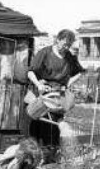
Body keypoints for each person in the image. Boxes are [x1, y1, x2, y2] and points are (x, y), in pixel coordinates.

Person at [27, 29, 85, 162]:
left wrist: (67, 84)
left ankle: (51, 155)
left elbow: (80, 72)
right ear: (57, 39)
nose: (66, 48)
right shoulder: (45, 53)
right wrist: (38, 85)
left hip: (57, 95)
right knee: (38, 124)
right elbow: (30, 72)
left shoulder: (69, 57)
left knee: (54, 125)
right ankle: (35, 157)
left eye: (68, 45)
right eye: (64, 44)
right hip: (41, 92)